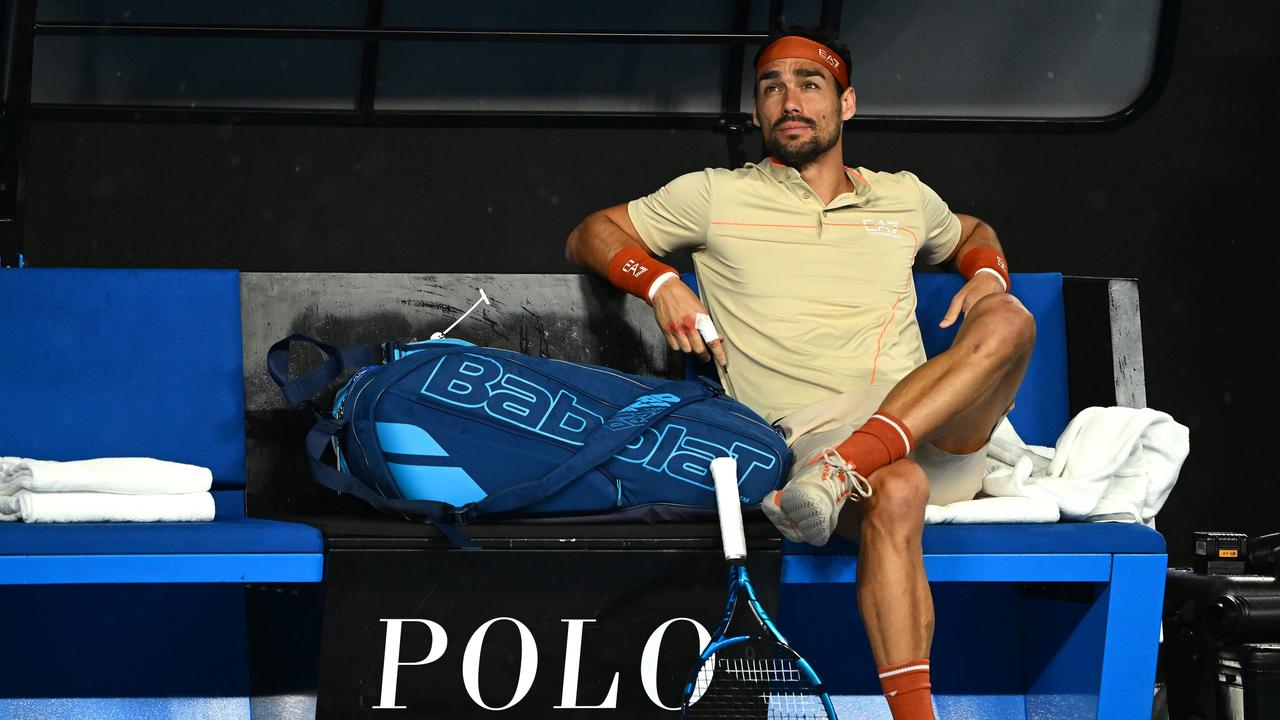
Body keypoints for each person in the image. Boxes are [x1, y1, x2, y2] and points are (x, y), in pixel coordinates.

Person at [565, 25, 1035, 720]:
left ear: (846, 105)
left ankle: (853, 461)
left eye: (810, 85)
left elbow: (970, 231)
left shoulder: (903, 197)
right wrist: (660, 282)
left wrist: (988, 274)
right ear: (757, 112)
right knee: (897, 489)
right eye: (771, 88)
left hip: (932, 420)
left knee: (1010, 319)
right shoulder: (714, 195)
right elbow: (591, 233)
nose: (790, 100)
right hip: (812, 435)